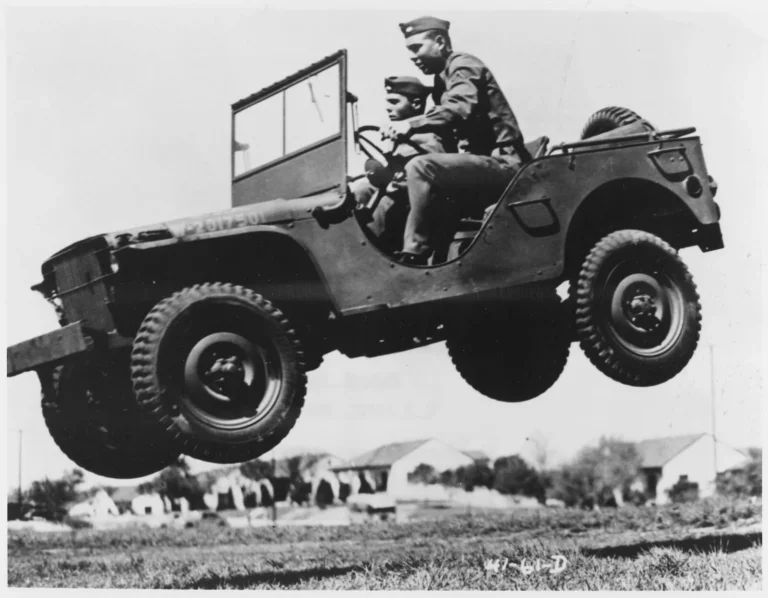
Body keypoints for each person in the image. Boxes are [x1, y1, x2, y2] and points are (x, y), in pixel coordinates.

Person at [383, 16, 531, 265]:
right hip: (479, 166)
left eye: (416, 47)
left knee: (421, 167)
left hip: (505, 164)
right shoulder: (442, 82)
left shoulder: (463, 66)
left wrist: (410, 125)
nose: (412, 56)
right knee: (395, 182)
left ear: (440, 42)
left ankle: (414, 255)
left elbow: (460, 107)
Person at [352, 76, 450, 252]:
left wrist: (393, 184)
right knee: (361, 190)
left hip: (420, 203)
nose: (388, 107)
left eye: (394, 101)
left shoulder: (431, 134)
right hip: (398, 193)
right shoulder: (398, 136)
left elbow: (433, 174)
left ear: (417, 104)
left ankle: (369, 252)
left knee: (386, 203)